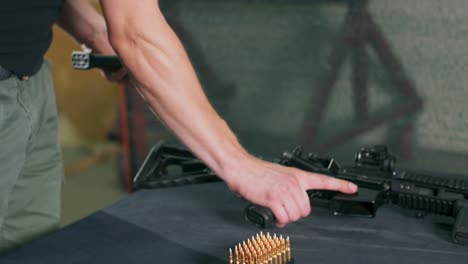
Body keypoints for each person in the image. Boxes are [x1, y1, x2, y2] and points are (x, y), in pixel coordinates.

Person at [0, 0, 358, 253]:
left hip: (28, 80)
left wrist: (95, 31)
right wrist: (240, 166)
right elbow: (137, 33)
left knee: (31, 249)